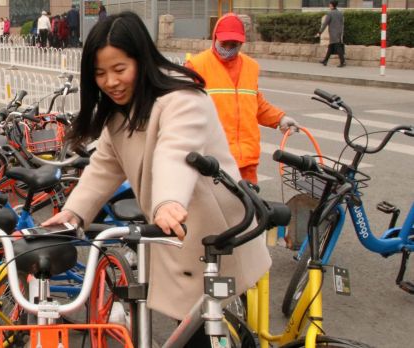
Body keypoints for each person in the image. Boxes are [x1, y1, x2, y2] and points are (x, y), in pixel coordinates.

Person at [42, 11, 271, 346]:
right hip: (176, 234)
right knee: (193, 327)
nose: (111, 82)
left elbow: (176, 153)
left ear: (142, 60)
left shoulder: (182, 99)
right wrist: (74, 213)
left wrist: (167, 202)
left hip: (215, 235)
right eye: (100, 74)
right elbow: (104, 166)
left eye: (120, 69)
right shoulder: (120, 113)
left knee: (208, 329)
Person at [185, 13, 300, 185]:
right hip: (214, 161)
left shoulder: (250, 66)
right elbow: (183, 109)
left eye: (235, 44)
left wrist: (280, 118)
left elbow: (257, 104)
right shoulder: (197, 66)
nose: (229, 48)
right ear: (215, 37)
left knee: (250, 209)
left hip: (247, 161)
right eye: (225, 43)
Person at [317, 0, 345, 67]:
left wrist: (320, 32)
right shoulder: (340, 13)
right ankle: (325, 61)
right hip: (339, 32)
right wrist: (341, 32)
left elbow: (325, 24)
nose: (329, 5)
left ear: (332, 5)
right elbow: (342, 24)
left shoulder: (330, 13)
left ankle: (342, 62)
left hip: (333, 33)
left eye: (329, 4)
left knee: (338, 47)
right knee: (331, 46)